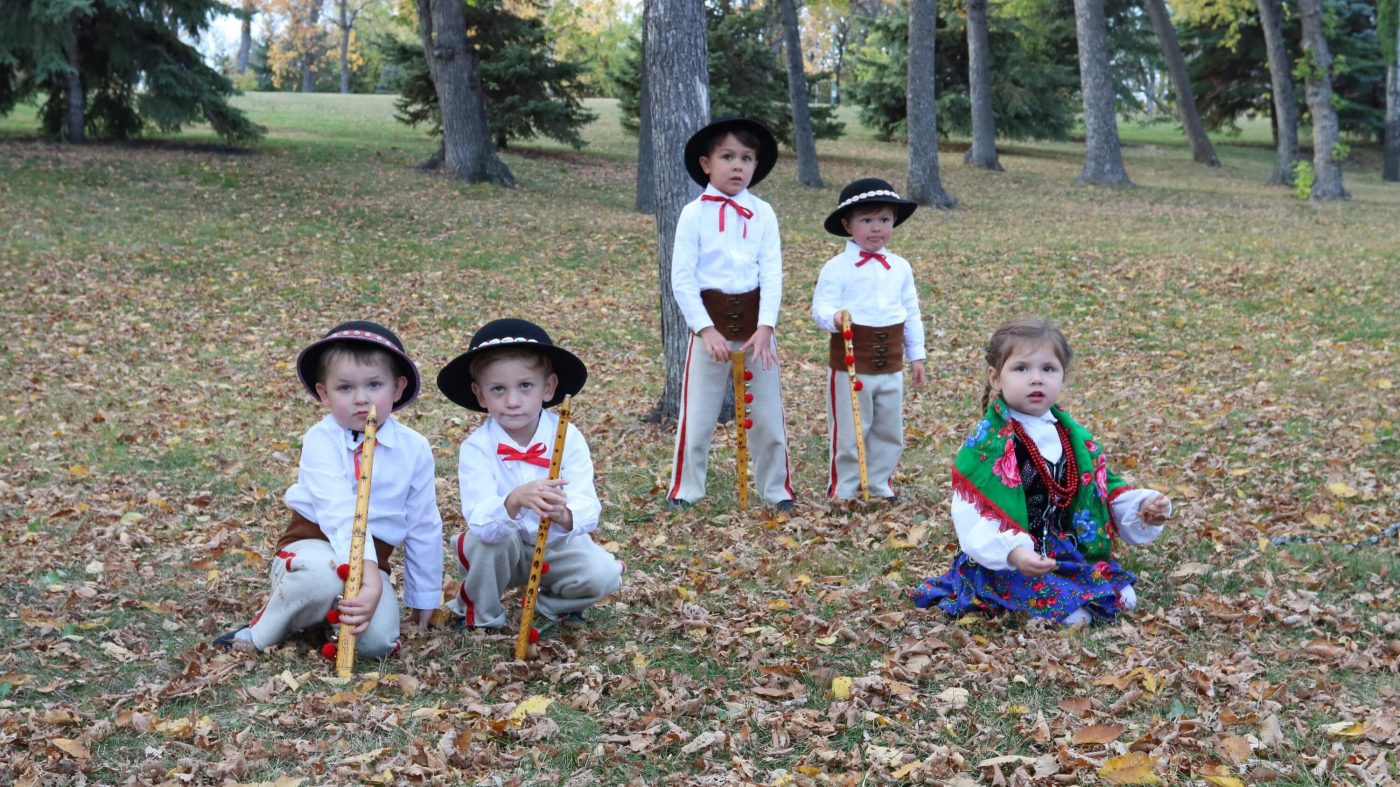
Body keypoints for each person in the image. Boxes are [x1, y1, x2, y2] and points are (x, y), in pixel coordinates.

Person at [910, 317, 1172, 625]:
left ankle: (1071, 588)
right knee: (1076, 616)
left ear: (1063, 379)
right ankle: (1013, 597)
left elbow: (1102, 488)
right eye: (1021, 369)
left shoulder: (1072, 436)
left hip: (1063, 551)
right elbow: (972, 516)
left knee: (1125, 598)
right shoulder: (988, 445)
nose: (1036, 379)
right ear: (996, 378)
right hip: (1008, 562)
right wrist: (1014, 553)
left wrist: (1144, 506)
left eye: (1048, 369)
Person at [214, 321, 443, 658]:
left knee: (377, 643)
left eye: (375, 384)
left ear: (397, 387)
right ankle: (261, 632)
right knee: (320, 578)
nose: (362, 398)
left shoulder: (415, 448)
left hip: (372, 562)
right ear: (324, 394)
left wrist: (424, 596)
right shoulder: (320, 440)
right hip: (314, 546)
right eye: (345, 388)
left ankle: (324, 619)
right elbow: (338, 513)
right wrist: (370, 578)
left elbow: (424, 524)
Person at [437, 318, 623, 632]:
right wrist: (512, 502)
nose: (513, 401)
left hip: (555, 545)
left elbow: (588, 505)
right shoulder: (477, 447)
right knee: (486, 544)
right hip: (500, 549)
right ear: (480, 395)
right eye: (498, 389)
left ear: (548, 388)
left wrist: (564, 514)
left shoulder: (568, 436)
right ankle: (480, 616)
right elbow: (480, 519)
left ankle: (548, 606)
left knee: (604, 573)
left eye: (525, 386)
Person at [667, 115, 795, 511]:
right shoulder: (693, 214)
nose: (738, 165)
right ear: (707, 164)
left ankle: (776, 489)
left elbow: (772, 272)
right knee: (698, 417)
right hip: (711, 330)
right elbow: (682, 278)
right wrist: (705, 329)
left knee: (769, 417)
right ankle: (687, 488)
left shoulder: (763, 213)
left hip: (756, 331)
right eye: (727, 156)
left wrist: (766, 327)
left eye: (746, 157)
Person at [811, 177, 927, 501]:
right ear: (848, 225)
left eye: (884, 220)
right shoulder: (837, 268)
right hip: (852, 364)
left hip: (890, 363)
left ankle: (879, 482)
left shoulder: (900, 267)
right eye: (866, 220)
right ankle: (845, 488)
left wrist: (916, 356)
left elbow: (911, 312)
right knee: (850, 430)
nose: (876, 228)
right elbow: (820, 307)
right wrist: (833, 318)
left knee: (889, 430)